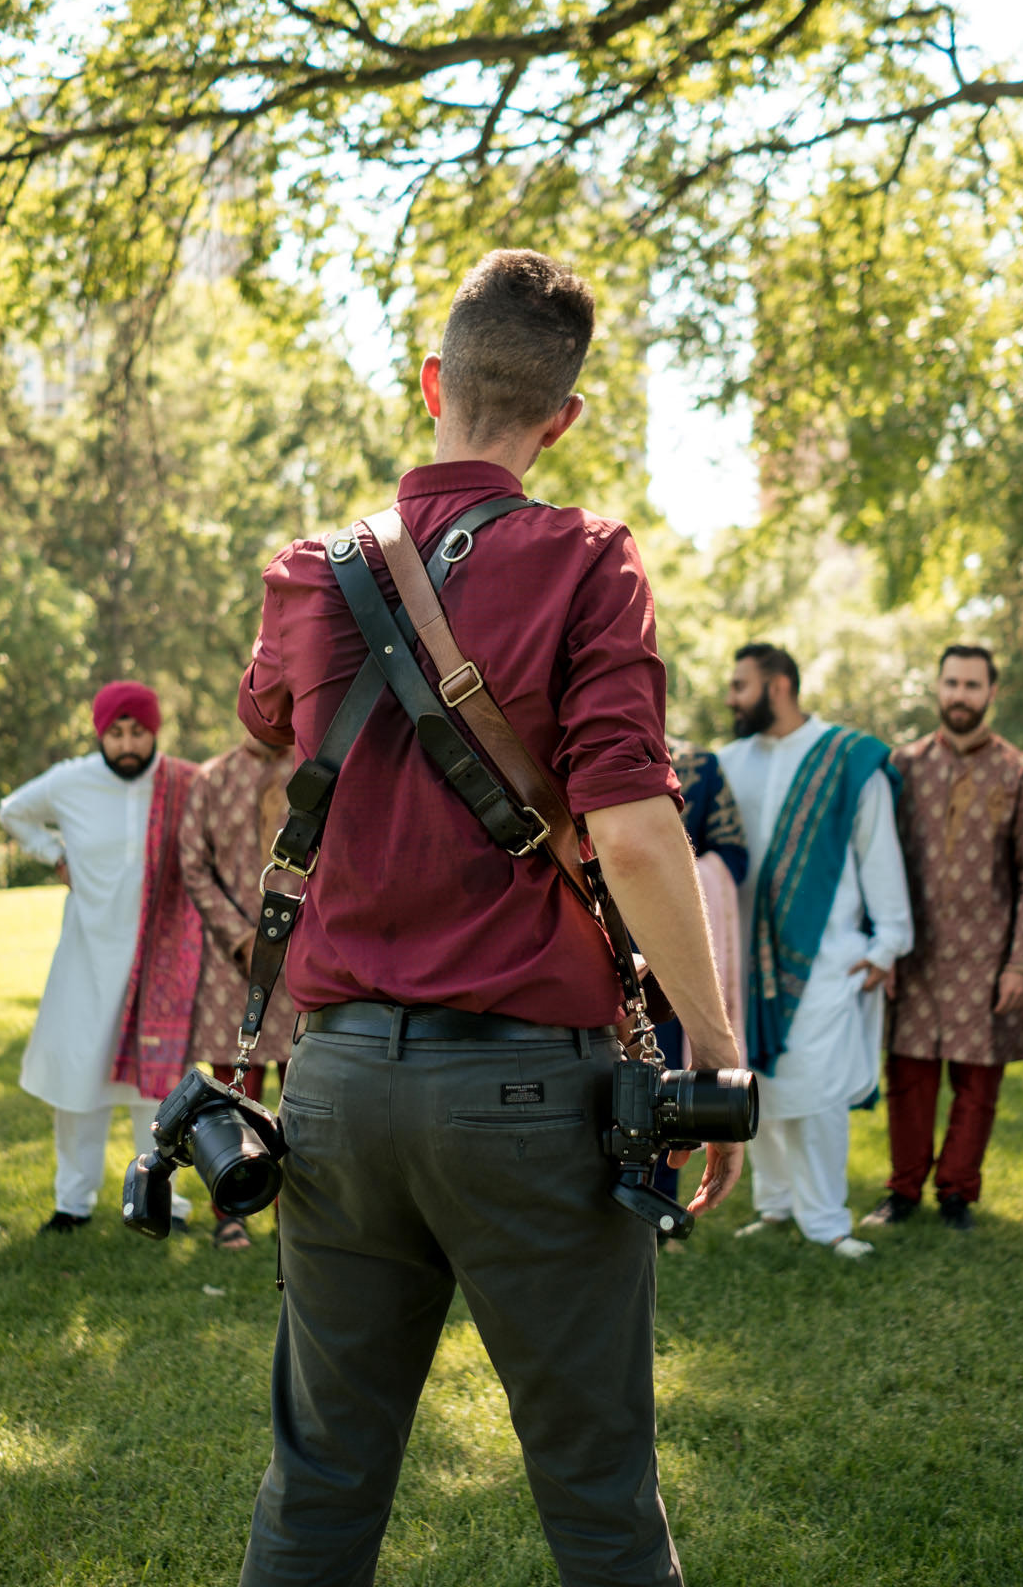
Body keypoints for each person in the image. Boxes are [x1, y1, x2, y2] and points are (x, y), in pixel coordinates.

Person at [234, 249, 744, 1586]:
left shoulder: (310, 571)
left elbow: (270, 724)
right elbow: (633, 827)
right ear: (563, 417)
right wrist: (712, 1040)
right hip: (525, 1088)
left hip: (337, 1078)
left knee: (319, 1490)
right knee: (597, 1500)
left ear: (430, 383)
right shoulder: (586, 557)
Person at [719, 642, 913, 1259]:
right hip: (745, 956)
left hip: (829, 955)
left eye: (740, 685)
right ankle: (775, 1206)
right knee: (760, 1085)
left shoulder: (848, 759)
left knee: (817, 1088)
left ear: (779, 686)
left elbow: (877, 849)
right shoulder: (727, 763)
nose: (731, 698)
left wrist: (889, 942)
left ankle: (828, 1222)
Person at [0, 682, 204, 1236]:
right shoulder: (71, 781)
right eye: (116, 732)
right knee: (78, 1085)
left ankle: (167, 1205)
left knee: (158, 1092)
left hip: (160, 965)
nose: (128, 743)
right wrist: (53, 854)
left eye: (138, 731)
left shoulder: (184, 783)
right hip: (86, 961)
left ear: (155, 730)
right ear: (101, 735)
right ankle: (73, 1203)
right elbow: (12, 811)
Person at [869, 647, 1023, 1233]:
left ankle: (957, 1195)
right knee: (910, 1079)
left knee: (977, 1083)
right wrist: (884, 947)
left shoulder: (1020, 772)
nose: (960, 695)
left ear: (992, 692)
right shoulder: (904, 765)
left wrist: (1022, 964)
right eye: (952, 683)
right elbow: (880, 860)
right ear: (937, 688)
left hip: (988, 955)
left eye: (972, 685)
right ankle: (903, 1190)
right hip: (915, 953)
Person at [177, 731, 303, 1250]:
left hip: (306, 956)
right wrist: (241, 938)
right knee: (234, 1092)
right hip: (235, 965)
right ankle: (230, 1212)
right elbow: (193, 866)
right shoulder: (212, 779)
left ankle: (295, 1214)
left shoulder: (317, 767)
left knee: (305, 1089)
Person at [648, 744, 750, 1242]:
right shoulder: (571, 743)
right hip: (593, 929)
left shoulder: (699, 765)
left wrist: (680, 873)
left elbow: (734, 854)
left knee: (663, 1069)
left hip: (668, 938)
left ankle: (660, 1202)